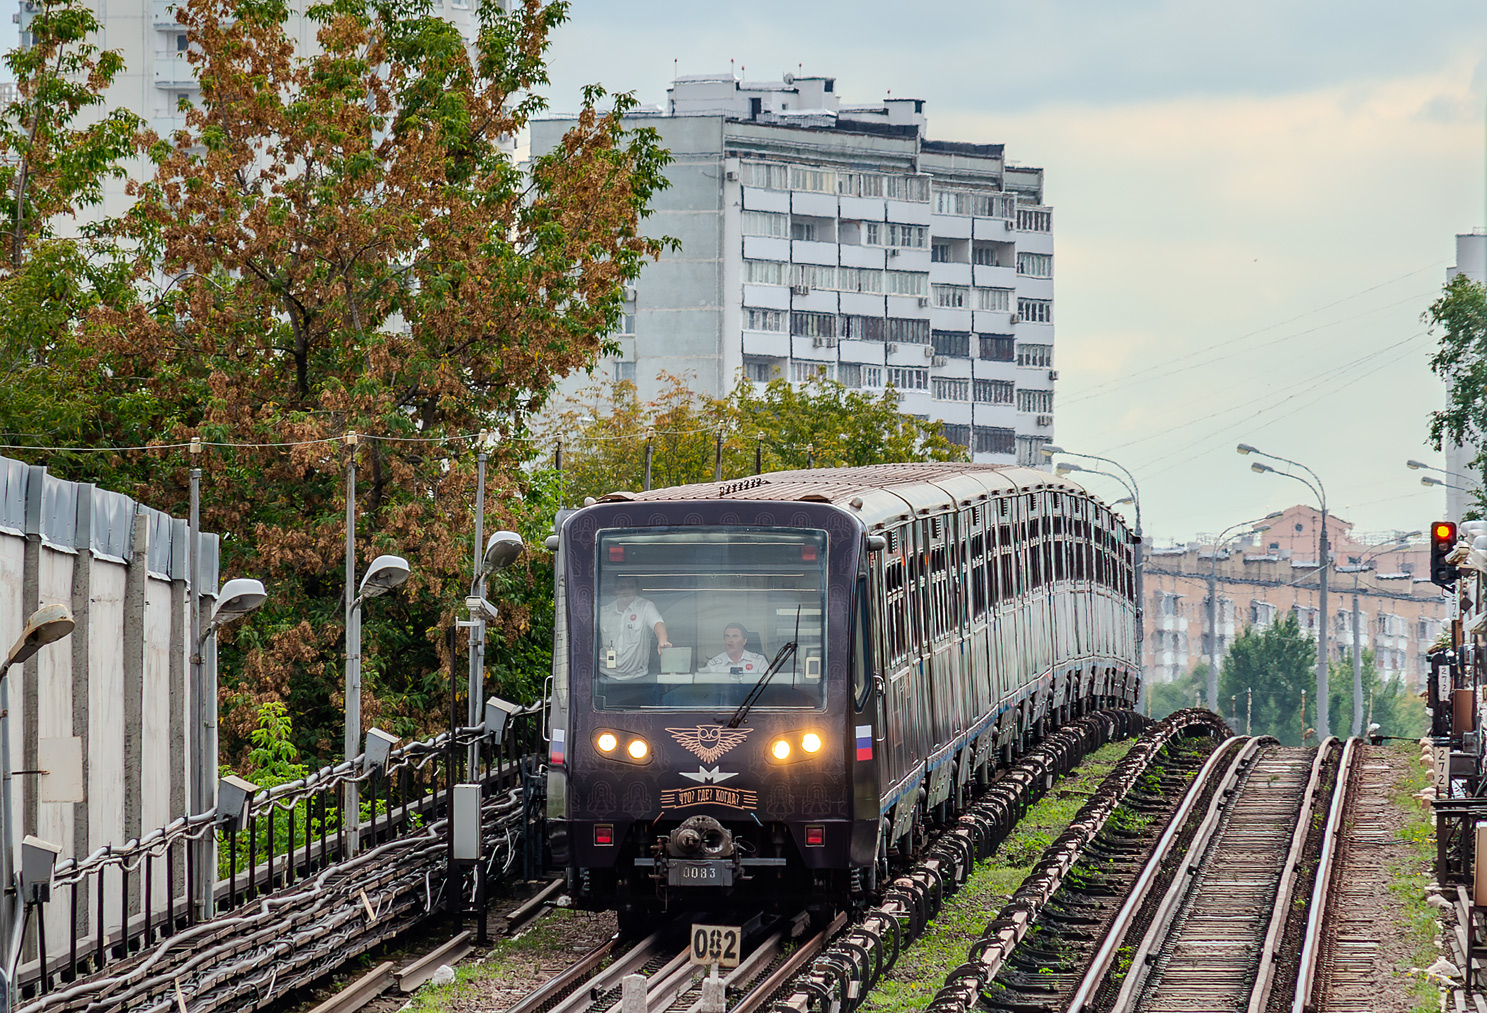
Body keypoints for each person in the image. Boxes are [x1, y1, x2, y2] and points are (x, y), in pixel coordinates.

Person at [599, 576, 670, 679]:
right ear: (615, 590)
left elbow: (658, 624)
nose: (625, 590)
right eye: (622, 587)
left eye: (630, 587)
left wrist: (662, 640)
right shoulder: (604, 611)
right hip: (605, 676)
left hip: (637, 677)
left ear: (636, 590)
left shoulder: (645, 606)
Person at [703, 623, 768, 677]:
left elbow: (769, 685)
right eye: (727, 636)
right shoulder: (714, 665)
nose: (730, 640)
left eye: (735, 636)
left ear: (744, 641)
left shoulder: (759, 661)